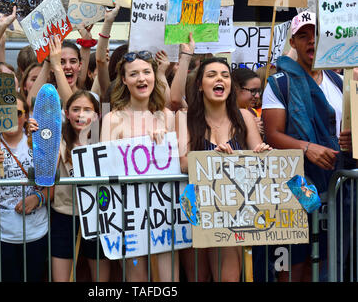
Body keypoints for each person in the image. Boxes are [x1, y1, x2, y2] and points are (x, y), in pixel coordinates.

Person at [262, 11, 354, 281]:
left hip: (333, 187)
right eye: (303, 36)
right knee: (292, 262)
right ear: (293, 42)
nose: (311, 41)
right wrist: (306, 147)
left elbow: (348, 130)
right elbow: (273, 134)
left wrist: (350, 140)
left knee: (328, 258)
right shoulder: (279, 83)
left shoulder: (341, 83)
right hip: (292, 186)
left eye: (316, 34)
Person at [176, 57, 271, 282]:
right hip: (196, 212)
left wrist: (262, 152)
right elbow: (182, 161)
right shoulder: (184, 118)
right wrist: (214, 159)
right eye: (211, 75)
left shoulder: (245, 117)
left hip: (231, 214)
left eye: (225, 75)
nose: (219, 79)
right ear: (199, 84)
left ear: (230, 85)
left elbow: (256, 151)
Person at [100, 50, 177, 282]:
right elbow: (106, 164)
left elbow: (177, 163)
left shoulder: (167, 116)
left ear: (154, 75)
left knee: (168, 279)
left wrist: (163, 145)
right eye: (134, 74)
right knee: (137, 279)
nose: (141, 78)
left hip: (163, 212)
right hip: (128, 213)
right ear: (124, 80)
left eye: (146, 72)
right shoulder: (112, 118)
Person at [29, 89, 110, 282]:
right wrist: (37, 138)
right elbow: (45, 168)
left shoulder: (104, 139)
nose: (81, 114)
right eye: (75, 109)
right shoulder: (58, 140)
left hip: (97, 216)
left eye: (87, 110)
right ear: (66, 113)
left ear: (97, 115)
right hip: (64, 216)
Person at [0, 93, 48, 282]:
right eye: (3, 112)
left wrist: (38, 198)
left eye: (16, 112)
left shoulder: (38, 142)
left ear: (25, 116)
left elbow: (53, 184)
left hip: (36, 231)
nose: (9, 117)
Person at [231, 68, 264, 136]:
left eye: (259, 91)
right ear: (236, 88)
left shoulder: (253, 112)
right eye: (253, 91)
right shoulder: (223, 115)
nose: (257, 96)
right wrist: (250, 129)